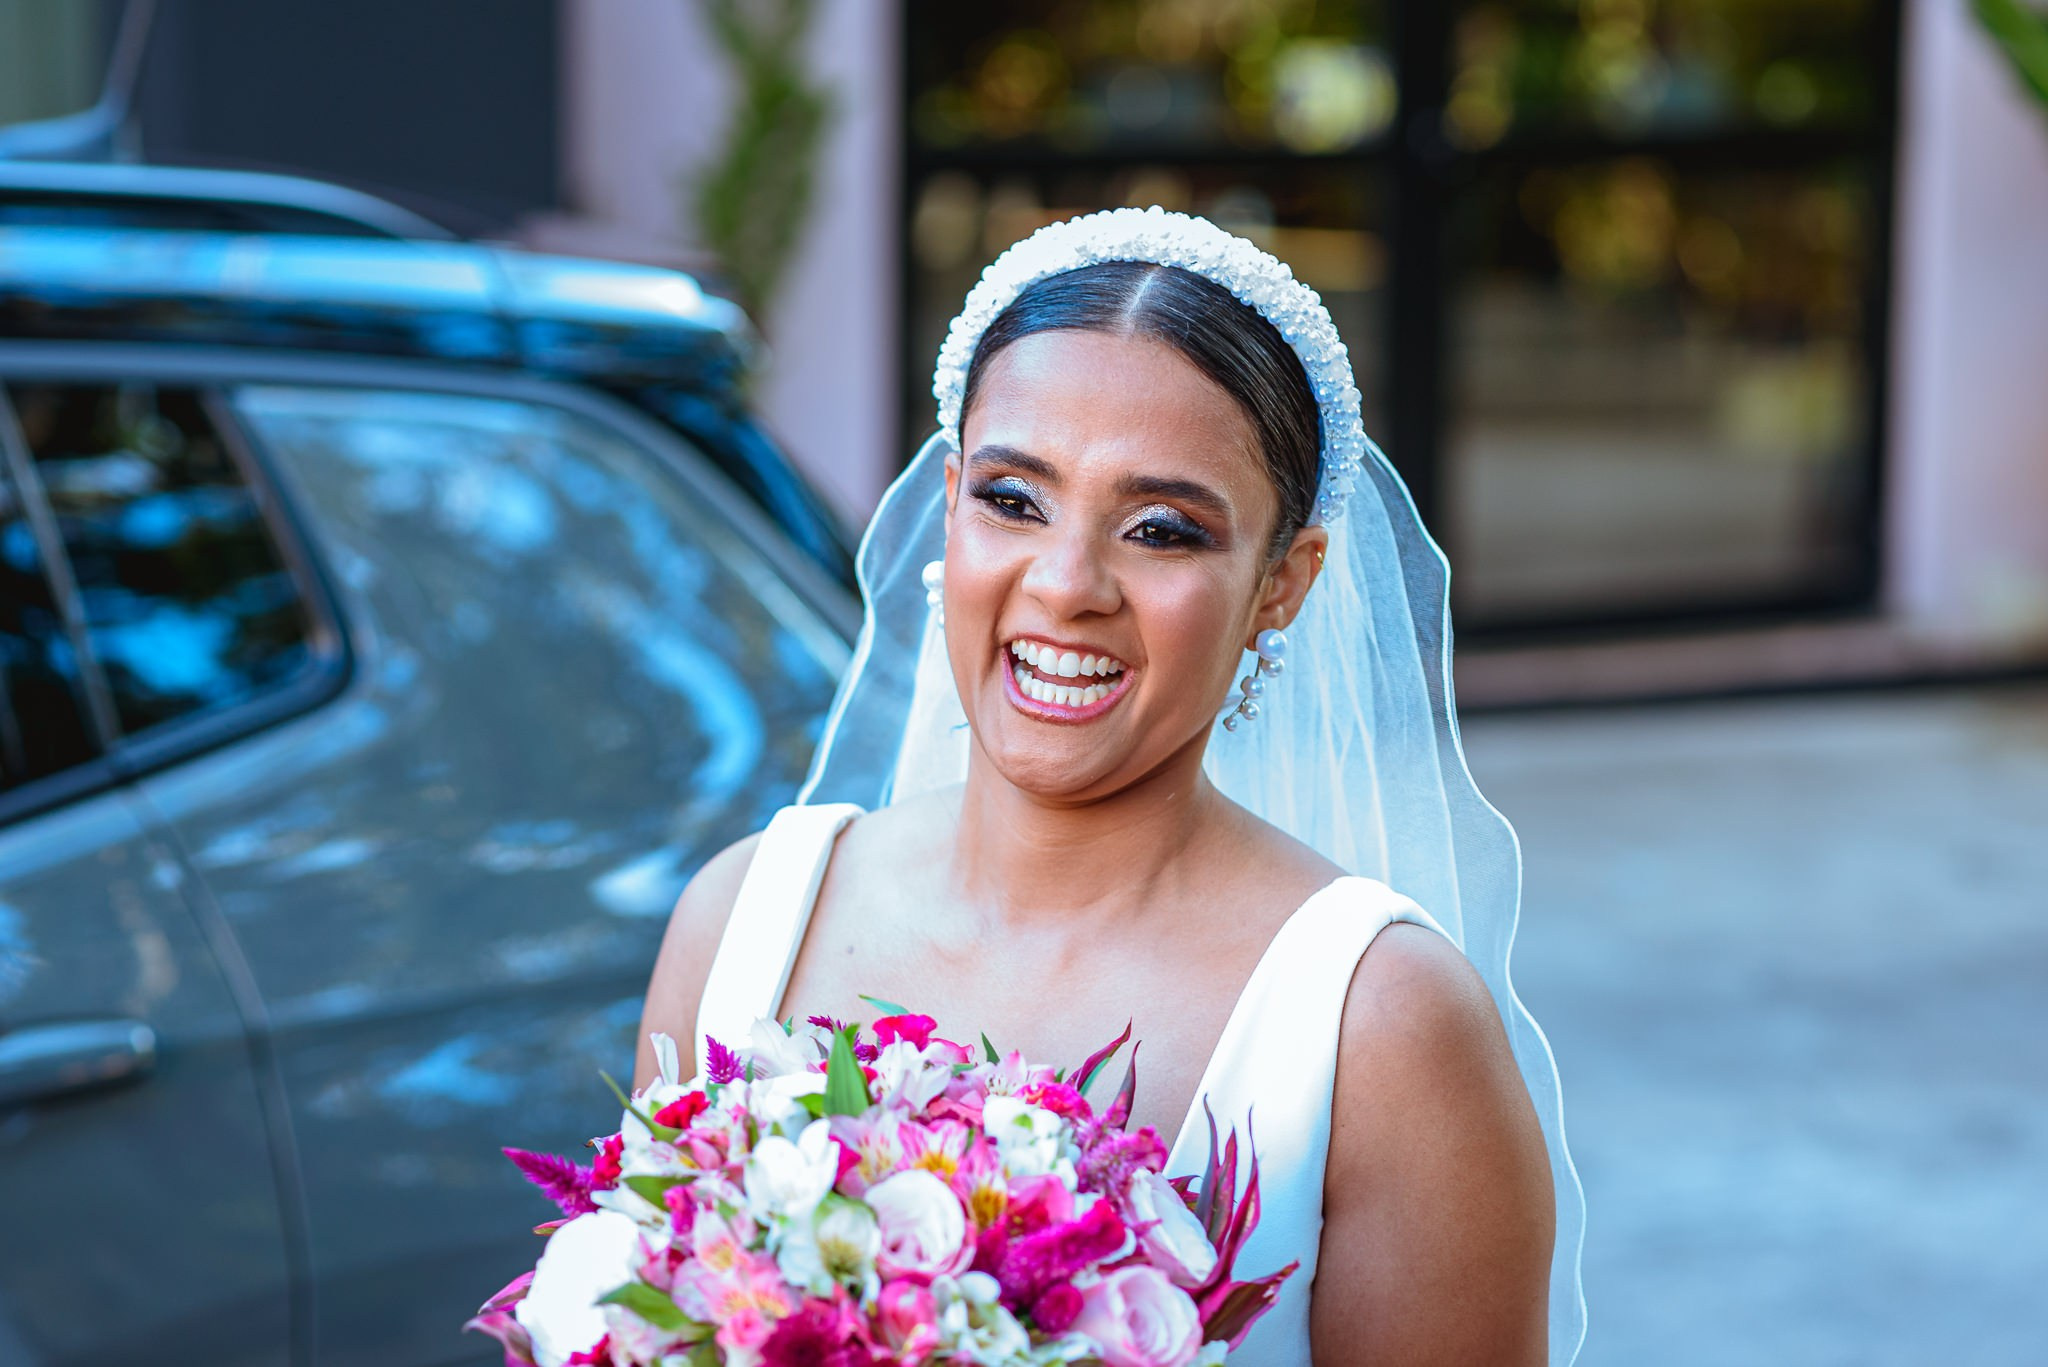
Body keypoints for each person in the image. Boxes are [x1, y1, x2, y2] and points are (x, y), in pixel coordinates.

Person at [636, 208, 1586, 1365]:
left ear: (1282, 581)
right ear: (948, 502)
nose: (1068, 583)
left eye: (1159, 529)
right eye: (1013, 499)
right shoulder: (740, 919)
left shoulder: (1383, 1027)